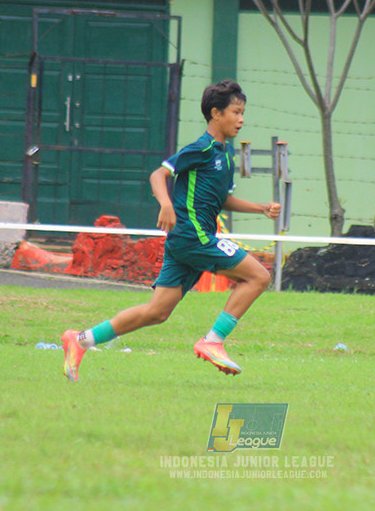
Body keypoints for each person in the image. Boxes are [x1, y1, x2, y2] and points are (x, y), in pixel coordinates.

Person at [61, 80, 281, 379]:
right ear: (216, 114)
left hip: (187, 241)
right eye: (236, 112)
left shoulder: (227, 156)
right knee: (259, 276)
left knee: (157, 312)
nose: (242, 119)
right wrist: (165, 204)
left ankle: (80, 339)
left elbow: (222, 199)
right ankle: (213, 341)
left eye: (243, 113)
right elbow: (158, 175)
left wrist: (260, 208)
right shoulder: (200, 148)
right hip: (194, 237)